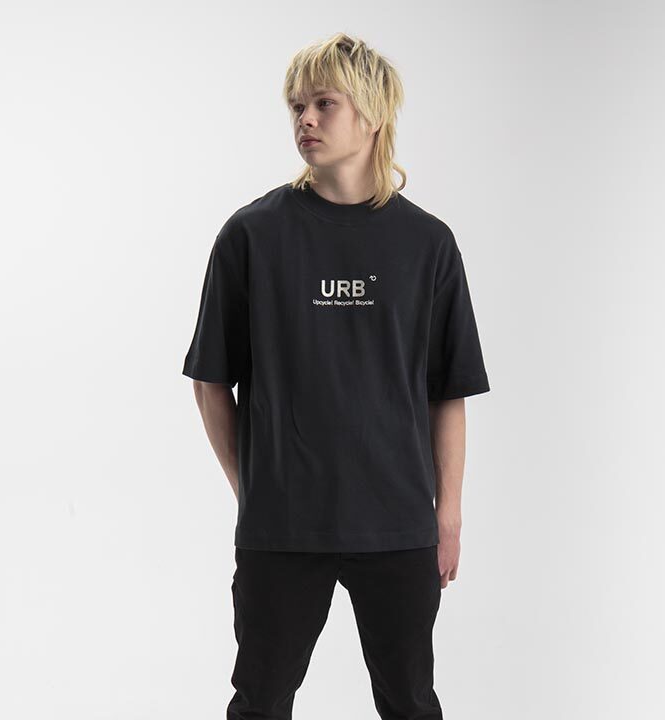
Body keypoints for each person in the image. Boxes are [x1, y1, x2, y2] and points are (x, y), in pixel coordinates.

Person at [182, 31, 490, 720]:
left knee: (411, 704)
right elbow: (210, 381)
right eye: (297, 106)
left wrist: (447, 516)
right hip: (283, 528)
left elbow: (448, 392)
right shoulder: (251, 236)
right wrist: (254, 488)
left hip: (398, 525)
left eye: (325, 103)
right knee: (260, 703)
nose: (306, 120)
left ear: (372, 114)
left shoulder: (428, 244)